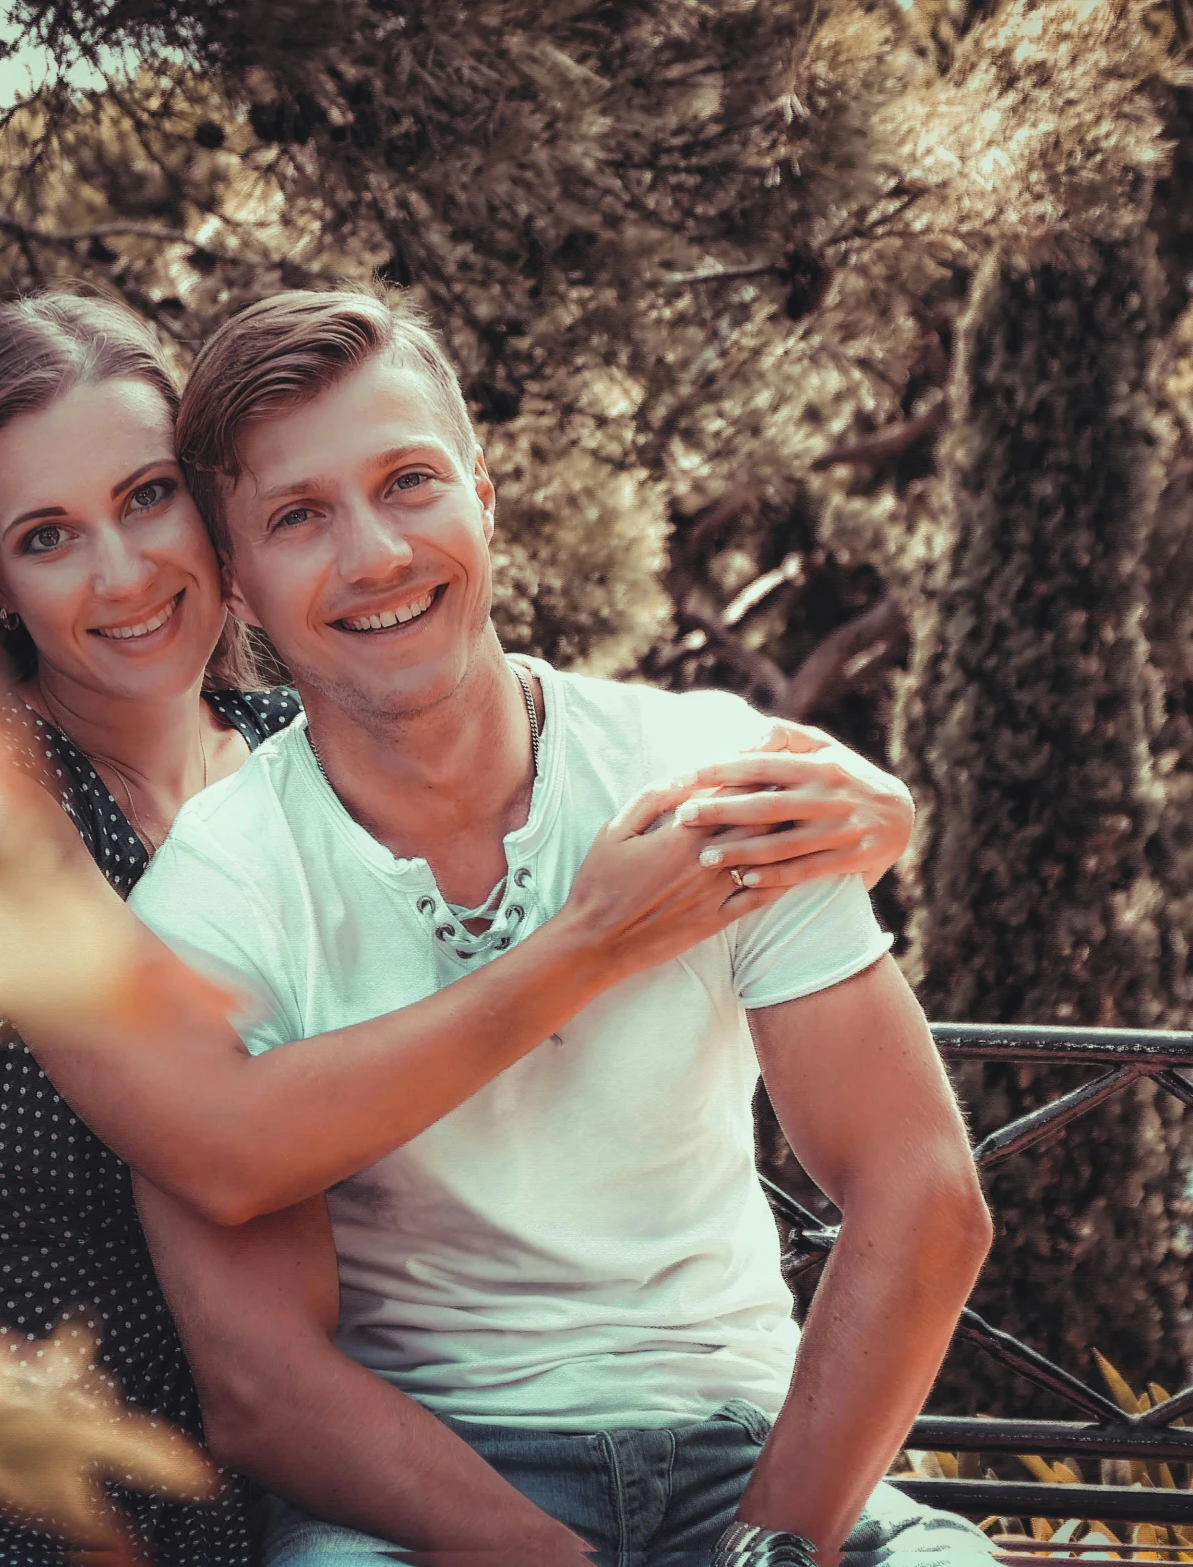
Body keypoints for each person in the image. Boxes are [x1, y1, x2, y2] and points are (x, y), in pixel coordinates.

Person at [0, 288, 921, 1564]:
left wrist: (867, 816)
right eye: (49, 536)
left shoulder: (291, 752)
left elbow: (489, 727)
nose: (123, 573)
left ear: (215, 519)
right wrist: (586, 943)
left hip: (188, 1436)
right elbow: (222, 1141)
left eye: (144, 499)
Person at [129, 289, 996, 1565]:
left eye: (409, 482)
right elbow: (259, 1384)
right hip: (426, 1488)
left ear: (486, 496)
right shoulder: (219, 890)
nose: (373, 554)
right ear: (239, 585)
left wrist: (776, 1548)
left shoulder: (708, 776)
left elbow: (921, 1191)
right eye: (299, 517)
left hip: (750, 1453)